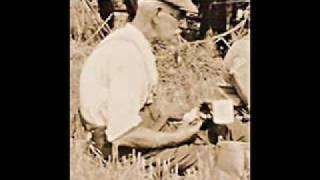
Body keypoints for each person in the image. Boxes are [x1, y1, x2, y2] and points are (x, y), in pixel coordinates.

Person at [79, 0, 208, 175]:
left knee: (217, 136)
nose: (183, 26)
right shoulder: (127, 55)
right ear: (157, 14)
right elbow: (122, 134)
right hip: (117, 151)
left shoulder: (131, 42)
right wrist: (177, 137)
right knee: (222, 157)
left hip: (124, 139)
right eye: (179, 17)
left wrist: (179, 118)